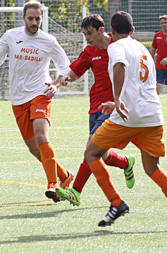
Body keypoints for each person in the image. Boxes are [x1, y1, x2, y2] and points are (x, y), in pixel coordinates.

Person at [84, 11, 167, 230]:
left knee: (91, 153)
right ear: (132, 30)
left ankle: (116, 203)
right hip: (153, 115)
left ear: (112, 31)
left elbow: (120, 66)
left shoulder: (115, 46)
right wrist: (116, 102)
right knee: (152, 168)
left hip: (128, 117)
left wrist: (116, 99)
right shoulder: (143, 49)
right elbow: (141, 85)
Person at [0, 0, 74, 201]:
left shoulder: (49, 41)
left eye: (37, 19)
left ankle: (53, 185)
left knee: (41, 137)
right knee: (34, 148)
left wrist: (56, 85)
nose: (34, 23)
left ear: (42, 19)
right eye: (30, 19)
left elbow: (65, 67)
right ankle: (64, 175)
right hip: (18, 98)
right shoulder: (11, 36)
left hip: (41, 92)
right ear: (24, 18)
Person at [55, 14, 135, 206]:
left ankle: (76, 191)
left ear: (102, 31)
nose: (87, 38)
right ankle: (126, 163)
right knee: (102, 155)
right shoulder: (89, 51)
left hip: (112, 107)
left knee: (91, 148)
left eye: (89, 33)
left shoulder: (117, 46)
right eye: (84, 34)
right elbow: (76, 71)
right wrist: (66, 78)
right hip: (95, 106)